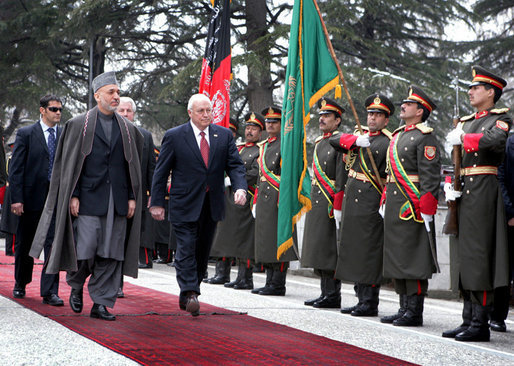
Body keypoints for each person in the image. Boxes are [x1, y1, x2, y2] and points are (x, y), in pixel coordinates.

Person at [30, 71, 144, 321]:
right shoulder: (78, 124)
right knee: (86, 250)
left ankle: (101, 303)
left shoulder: (128, 129)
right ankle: (77, 285)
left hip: (118, 201)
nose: (116, 97)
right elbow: (69, 166)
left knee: (112, 253)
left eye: (118, 92)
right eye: (111, 92)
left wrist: (134, 197)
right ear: (97, 96)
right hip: (88, 200)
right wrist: (74, 195)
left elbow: (132, 167)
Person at [150, 93, 247, 316]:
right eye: (201, 111)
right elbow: (161, 171)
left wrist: (240, 187)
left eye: (209, 110)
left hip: (211, 203)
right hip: (184, 202)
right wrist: (156, 202)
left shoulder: (223, 135)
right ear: (190, 113)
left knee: (202, 251)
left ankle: (192, 290)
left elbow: (235, 165)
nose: (206, 115)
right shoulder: (175, 136)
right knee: (185, 247)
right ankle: (190, 291)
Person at [444, 66, 512, 341]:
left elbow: (495, 142)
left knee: (480, 257)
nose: (471, 91)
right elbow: (459, 157)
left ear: (491, 93)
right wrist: (453, 184)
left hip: (484, 191)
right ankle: (468, 319)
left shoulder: (501, 118)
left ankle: (480, 325)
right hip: (466, 191)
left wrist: (464, 138)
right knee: (466, 257)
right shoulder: (468, 121)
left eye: (476, 88)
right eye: (470, 88)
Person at [381, 85, 440, 327]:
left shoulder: (425, 137)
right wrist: (385, 197)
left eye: (408, 104)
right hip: (396, 201)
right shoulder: (397, 135)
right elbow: (390, 173)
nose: (402, 106)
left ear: (420, 111)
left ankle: (414, 311)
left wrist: (426, 206)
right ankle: (403, 306)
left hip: (412, 203)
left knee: (413, 257)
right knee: (398, 255)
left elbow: (430, 175)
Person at [329, 94, 394, 316]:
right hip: (353, 200)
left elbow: (390, 175)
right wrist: (354, 141)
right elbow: (334, 141)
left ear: (386, 120)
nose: (372, 118)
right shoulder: (360, 137)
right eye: (370, 114)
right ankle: (360, 297)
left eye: (378, 115)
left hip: (370, 201)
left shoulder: (388, 141)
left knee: (368, 252)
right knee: (355, 250)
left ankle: (369, 301)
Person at [9, 95, 63, 306]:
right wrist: (17, 199)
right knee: (26, 244)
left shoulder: (64, 135)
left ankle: (50, 291)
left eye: (60, 109)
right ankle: (21, 282)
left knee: (53, 245)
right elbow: (17, 170)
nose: (58, 113)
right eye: (53, 109)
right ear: (42, 110)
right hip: (30, 200)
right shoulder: (26, 134)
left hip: (55, 199)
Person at [301, 97, 346, 308]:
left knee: (329, 250)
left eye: (327, 116)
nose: (322, 119)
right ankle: (324, 292)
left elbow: (340, 175)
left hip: (329, 202)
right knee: (318, 248)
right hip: (317, 201)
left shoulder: (339, 142)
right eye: (321, 116)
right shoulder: (320, 142)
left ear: (337, 120)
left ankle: (333, 295)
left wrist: (337, 203)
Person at [212, 112, 263, 290]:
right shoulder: (239, 148)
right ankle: (222, 273)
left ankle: (245, 277)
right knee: (225, 236)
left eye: (254, 128)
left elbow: (255, 173)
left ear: (260, 132)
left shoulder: (260, 150)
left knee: (244, 240)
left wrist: (233, 181)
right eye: (248, 127)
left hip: (245, 199)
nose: (250, 131)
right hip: (229, 198)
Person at [252, 106, 298, 296]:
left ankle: (278, 284)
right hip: (264, 197)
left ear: (281, 124)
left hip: (279, 197)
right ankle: (270, 281)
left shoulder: (286, 144)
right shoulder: (265, 145)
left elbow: (289, 174)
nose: (270, 125)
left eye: (274, 122)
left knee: (278, 240)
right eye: (268, 122)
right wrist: (255, 200)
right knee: (266, 241)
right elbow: (260, 176)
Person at [118, 96, 156, 270]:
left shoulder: (145, 136)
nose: (125, 114)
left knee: (136, 235)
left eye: (129, 111)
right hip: (114, 196)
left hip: (139, 196)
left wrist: (153, 196)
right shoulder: (108, 132)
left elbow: (151, 169)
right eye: (122, 110)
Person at [204, 119, 240, 285]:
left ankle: (233, 275)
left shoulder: (254, 149)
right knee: (220, 235)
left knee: (229, 236)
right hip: (220, 195)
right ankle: (219, 271)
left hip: (237, 198)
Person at [496, 134, 514, 333]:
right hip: (510, 218)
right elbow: (500, 179)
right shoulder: (509, 143)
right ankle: (498, 316)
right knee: (504, 268)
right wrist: (510, 212)